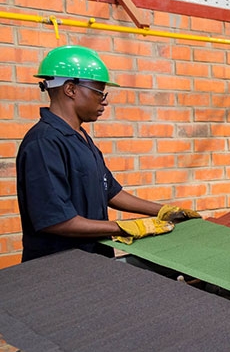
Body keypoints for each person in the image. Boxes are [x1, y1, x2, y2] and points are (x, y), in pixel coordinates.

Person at [16, 45, 198, 262]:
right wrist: (125, 227)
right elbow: (56, 220)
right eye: (99, 91)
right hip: (58, 269)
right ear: (70, 89)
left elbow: (110, 191)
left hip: (93, 261)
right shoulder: (44, 143)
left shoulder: (80, 137)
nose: (105, 100)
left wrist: (165, 211)